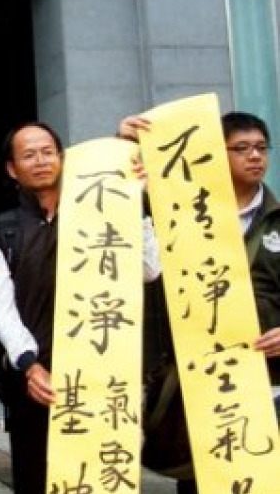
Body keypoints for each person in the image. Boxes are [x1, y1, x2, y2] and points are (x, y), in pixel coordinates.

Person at [0, 122, 161, 494]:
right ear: (12, 169)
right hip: (36, 381)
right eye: (29, 155)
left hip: (101, 374)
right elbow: (2, 311)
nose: (41, 161)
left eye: (48, 152)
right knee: (36, 476)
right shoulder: (2, 233)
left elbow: (148, 269)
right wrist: (30, 366)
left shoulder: (99, 214)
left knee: (103, 477)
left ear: (62, 158)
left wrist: (136, 203)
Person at [119, 111, 280, 494]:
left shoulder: (277, 220)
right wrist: (124, 145)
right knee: (203, 478)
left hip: (269, 377)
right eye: (241, 148)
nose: (254, 156)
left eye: (261, 148)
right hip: (200, 378)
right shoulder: (183, 210)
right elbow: (138, 248)